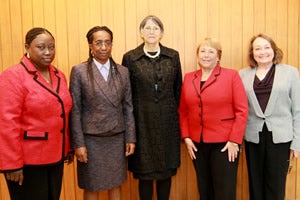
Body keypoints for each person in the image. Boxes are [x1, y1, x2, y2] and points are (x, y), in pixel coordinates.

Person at [0, 27, 73, 200]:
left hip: (56, 157)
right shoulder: (13, 76)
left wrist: (68, 146)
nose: (48, 52)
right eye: (41, 47)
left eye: (52, 47)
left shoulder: (58, 75)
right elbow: (6, 122)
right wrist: (11, 164)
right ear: (27, 48)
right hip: (27, 162)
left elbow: (63, 113)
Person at [69, 26, 136, 200]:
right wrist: (78, 144)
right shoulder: (79, 71)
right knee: (92, 185)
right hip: (90, 140)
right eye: (98, 43)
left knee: (116, 183)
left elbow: (128, 107)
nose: (103, 47)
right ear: (90, 45)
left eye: (107, 42)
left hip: (116, 138)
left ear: (112, 44)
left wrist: (130, 138)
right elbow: (75, 110)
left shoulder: (123, 72)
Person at [178, 37, 248, 200]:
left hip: (225, 144)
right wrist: (186, 137)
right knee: (205, 190)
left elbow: (242, 110)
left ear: (218, 56)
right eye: (202, 51)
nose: (206, 55)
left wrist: (234, 140)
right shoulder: (189, 78)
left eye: (211, 51)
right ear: (197, 55)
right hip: (197, 144)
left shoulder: (231, 76)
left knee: (224, 192)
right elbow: (183, 111)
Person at [121, 15, 182, 200]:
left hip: (167, 122)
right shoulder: (130, 58)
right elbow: (127, 93)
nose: (151, 31)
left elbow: (178, 88)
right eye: (147, 28)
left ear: (161, 33)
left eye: (156, 28)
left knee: (165, 171)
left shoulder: (173, 56)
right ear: (141, 32)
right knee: (145, 173)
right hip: (142, 122)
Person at [239, 33, 300, 200]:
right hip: (253, 137)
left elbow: (298, 109)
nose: (262, 52)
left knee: (276, 184)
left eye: (267, 47)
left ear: (274, 50)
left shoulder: (290, 72)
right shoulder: (243, 75)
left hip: (281, 137)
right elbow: (240, 108)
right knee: (255, 183)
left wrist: (297, 142)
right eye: (257, 48)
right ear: (252, 53)